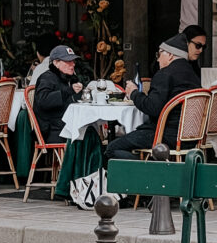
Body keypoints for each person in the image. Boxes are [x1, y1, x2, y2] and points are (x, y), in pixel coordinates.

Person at [104, 33, 200, 162]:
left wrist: (133, 93)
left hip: (165, 136)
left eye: (159, 54)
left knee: (112, 149)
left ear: (170, 55)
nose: (158, 60)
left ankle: (148, 169)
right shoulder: (194, 76)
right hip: (191, 138)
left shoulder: (164, 74)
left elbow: (152, 107)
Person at [33, 45, 84, 144]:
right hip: (51, 130)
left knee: (90, 131)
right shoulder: (46, 78)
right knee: (85, 136)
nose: (73, 64)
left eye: (73, 61)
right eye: (68, 61)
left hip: (67, 125)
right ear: (56, 63)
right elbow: (43, 101)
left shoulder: (69, 78)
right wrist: (69, 91)